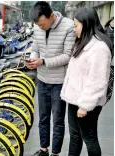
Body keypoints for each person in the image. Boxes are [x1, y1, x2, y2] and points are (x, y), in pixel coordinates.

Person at [60, 8, 113, 156]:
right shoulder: (83, 42)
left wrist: (85, 106)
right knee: (75, 136)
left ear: (87, 24)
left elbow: (97, 81)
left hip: (86, 103)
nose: (74, 28)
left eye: (76, 25)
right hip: (74, 98)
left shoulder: (99, 48)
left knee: (89, 139)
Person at [25, 1, 76, 156]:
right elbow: (35, 48)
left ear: (51, 15)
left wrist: (44, 62)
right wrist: (33, 60)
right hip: (42, 79)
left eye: (42, 24)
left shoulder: (68, 26)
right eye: (38, 25)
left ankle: (55, 153)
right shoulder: (37, 27)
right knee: (43, 117)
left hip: (59, 82)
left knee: (58, 120)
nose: (40, 27)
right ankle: (43, 149)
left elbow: (67, 56)